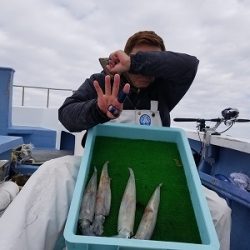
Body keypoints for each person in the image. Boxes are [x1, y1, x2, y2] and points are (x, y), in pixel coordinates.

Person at [0, 31, 231, 250]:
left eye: (150, 61)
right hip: (94, 165)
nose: (144, 70)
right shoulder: (101, 81)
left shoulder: (165, 88)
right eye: (137, 58)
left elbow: (189, 65)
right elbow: (67, 115)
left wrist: (135, 63)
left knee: (219, 211)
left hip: (155, 169)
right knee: (51, 173)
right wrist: (97, 110)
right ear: (125, 55)